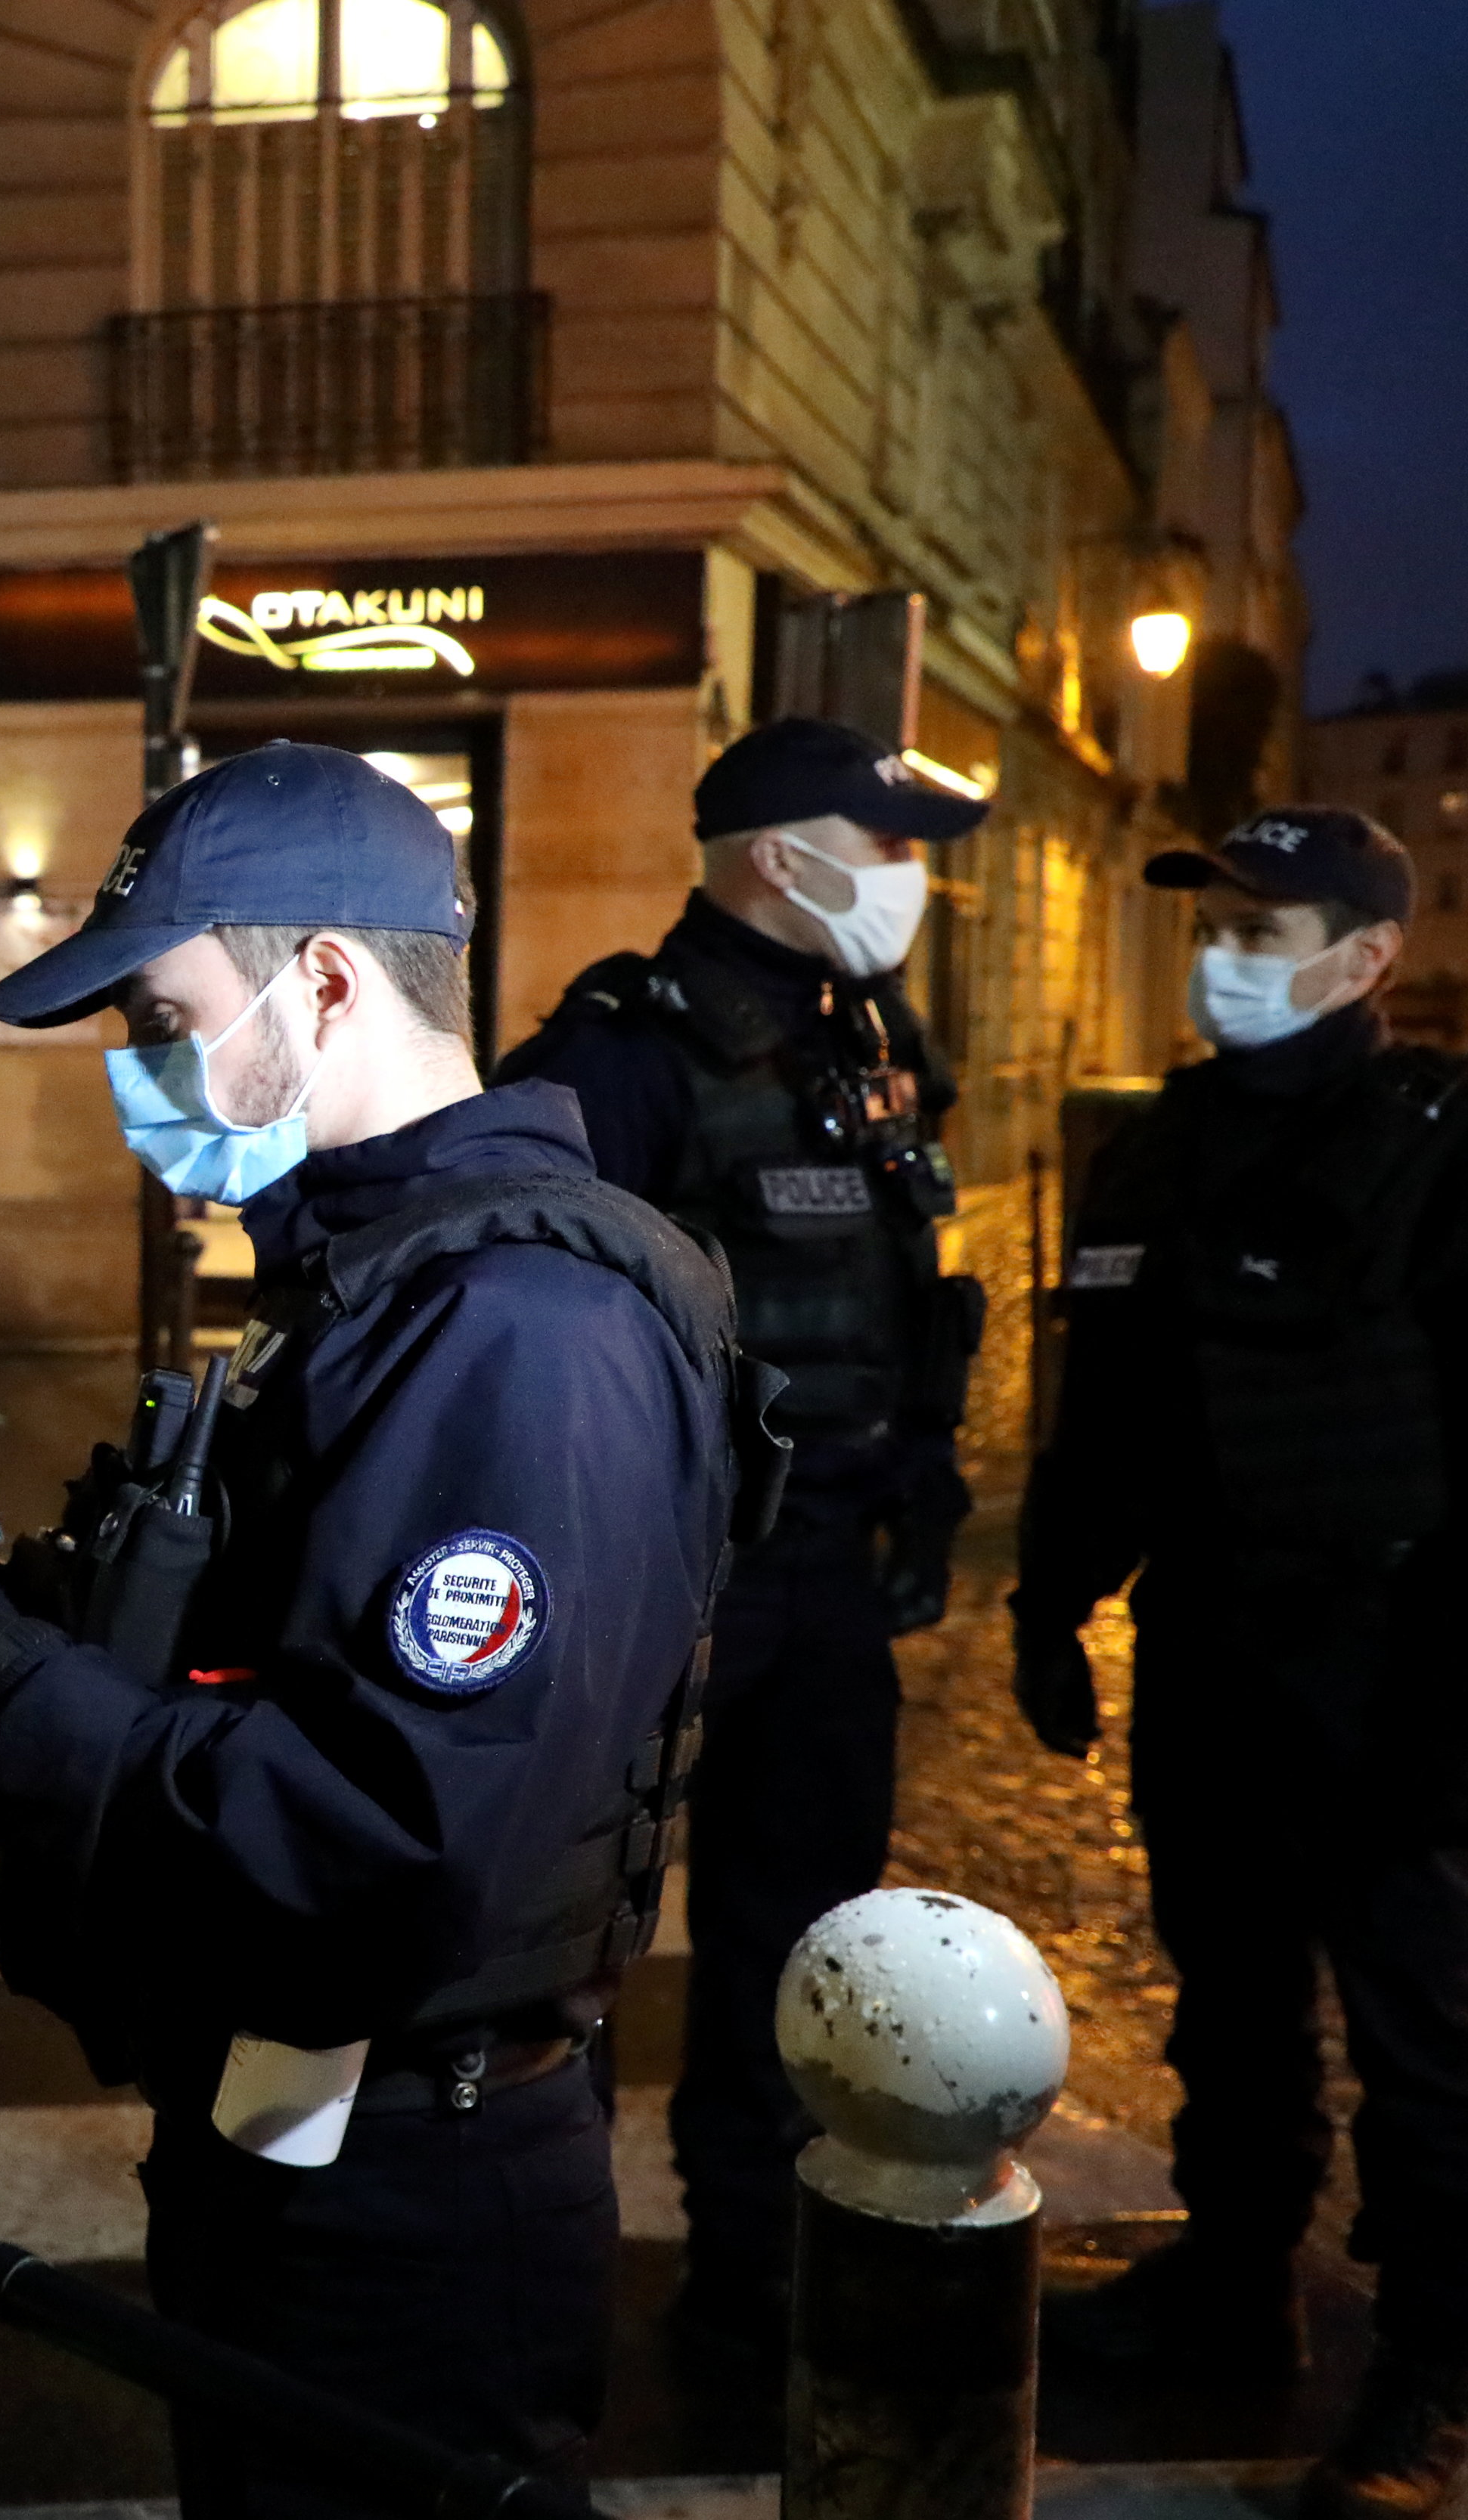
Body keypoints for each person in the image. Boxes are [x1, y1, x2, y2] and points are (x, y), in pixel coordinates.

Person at [0, 743, 742, 2517]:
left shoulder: (515, 1330)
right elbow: (267, 1646)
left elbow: (387, 1829)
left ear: (321, 981)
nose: (135, 1078)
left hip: (414, 2170)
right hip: (285, 2107)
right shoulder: (374, 1282)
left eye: (160, 1015)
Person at [1013, 808, 1468, 2520]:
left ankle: (1424, 2380)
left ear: (1369, 959)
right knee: (1229, 1998)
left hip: (1393, 1664)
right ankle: (1232, 2272)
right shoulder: (1158, 1148)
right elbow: (1103, 1416)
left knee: (1421, 2040)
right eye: (1218, 925)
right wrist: (1050, 1604)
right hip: (1211, 1650)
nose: (1227, 958)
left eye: (1267, 930)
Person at [493, 714, 985, 2358]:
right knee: (567, 1921)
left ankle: (754, 2265)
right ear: (784, 858)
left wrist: (919, 1465)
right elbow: (523, 1305)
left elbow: (911, 1281)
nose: (912, 878)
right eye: (891, 842)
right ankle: (523, 2259)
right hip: (669, 1567)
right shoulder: (617, 1050)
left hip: (828, 1561)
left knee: (797, 1932)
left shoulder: (869, 1029)